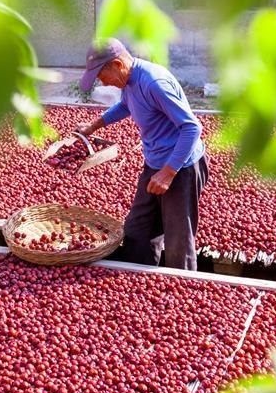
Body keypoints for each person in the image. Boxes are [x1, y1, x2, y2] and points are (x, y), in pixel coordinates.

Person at [75, 38, 207, 270]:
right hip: (154, 162)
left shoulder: (154, 82)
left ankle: (182, 288)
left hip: (181, 167)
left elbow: (192, 127)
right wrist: (93, 126)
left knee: (178, 239)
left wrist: (168, 173)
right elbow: (126, 105)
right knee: (138, 229)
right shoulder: (128, 82)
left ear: (117, 64)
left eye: (101, 77)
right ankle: (134, 282)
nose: (103, 84)